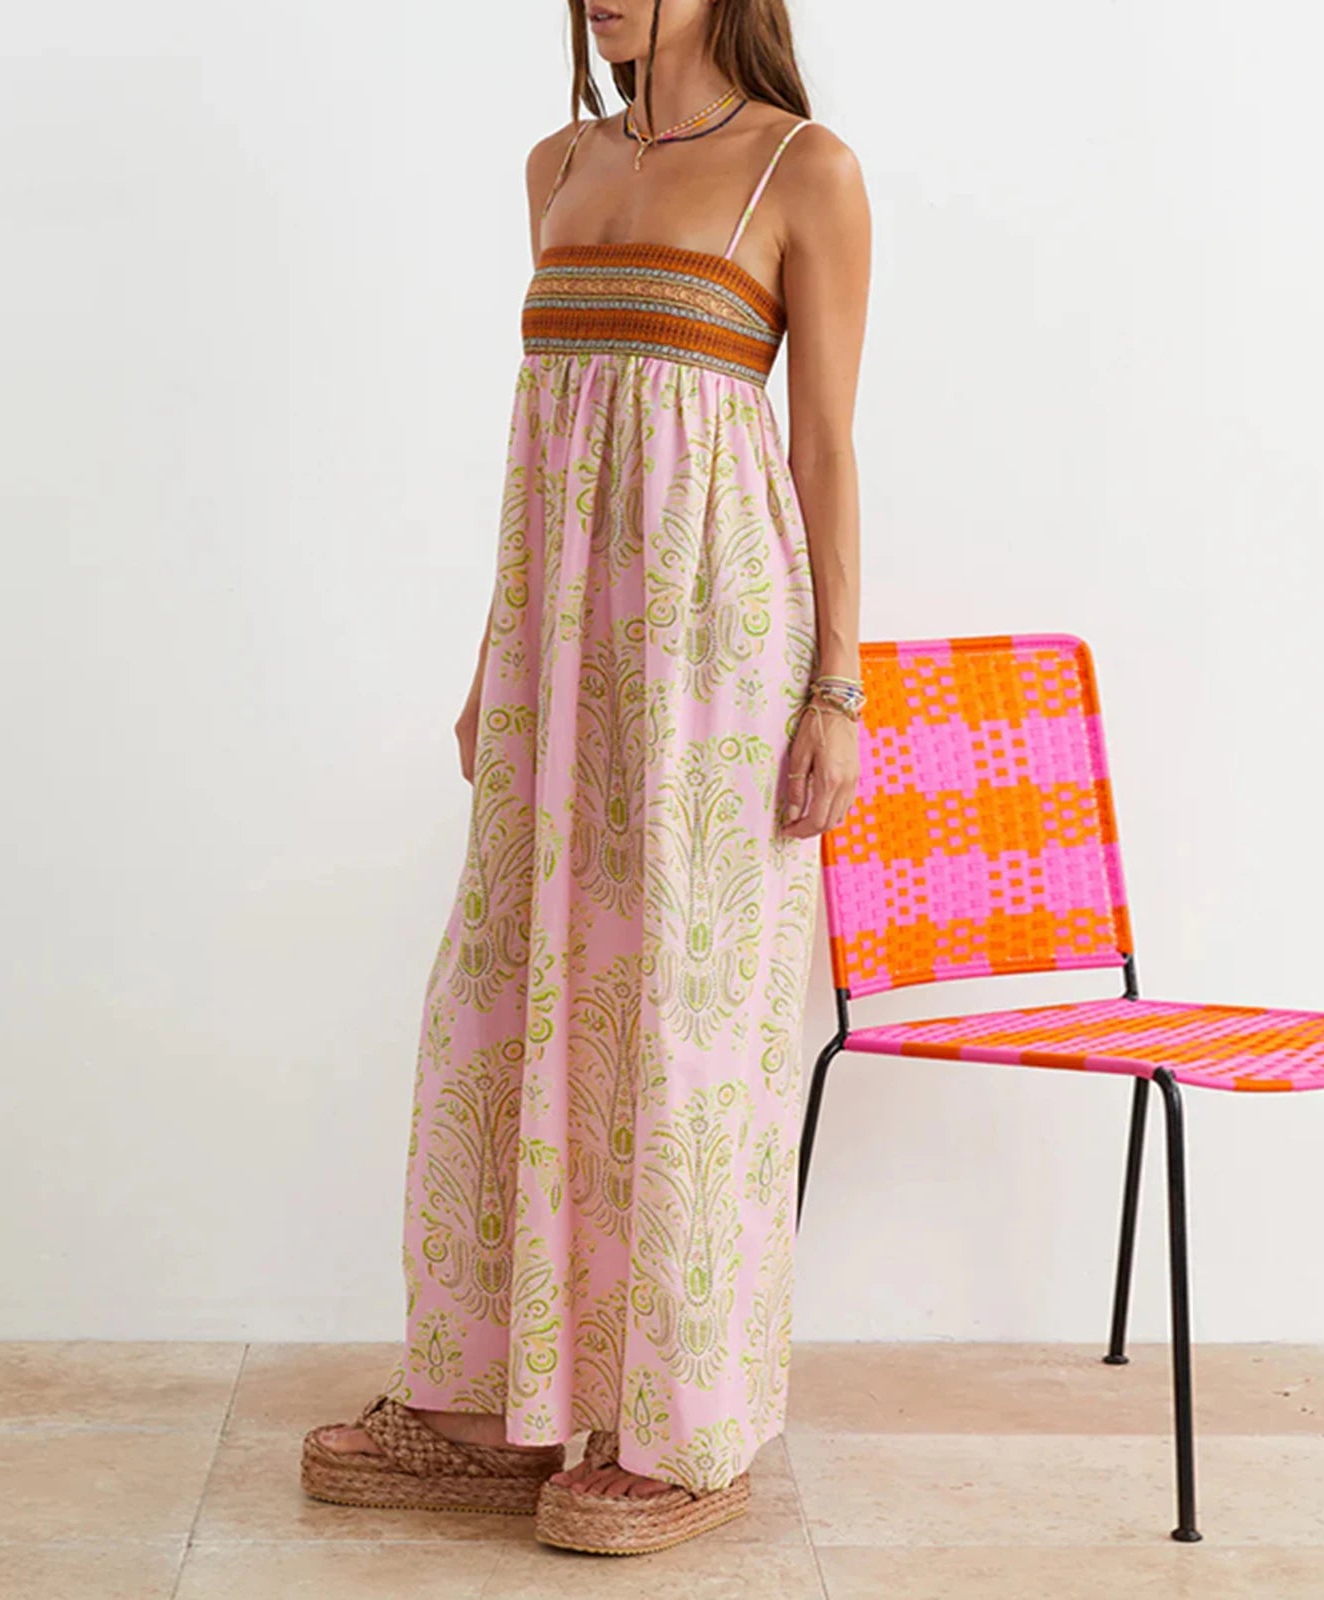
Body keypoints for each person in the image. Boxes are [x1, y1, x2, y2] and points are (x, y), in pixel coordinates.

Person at [301, 0, 870, 1558]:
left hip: (717, 645)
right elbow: (546, 447)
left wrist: (837, 686)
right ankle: (494, 1395)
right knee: (512, 988)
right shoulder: (553, 167)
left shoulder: (800, 170)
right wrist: (499, 657)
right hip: (560, 646)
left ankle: (686, 1425)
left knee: (685, 1015)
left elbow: (820, 449)